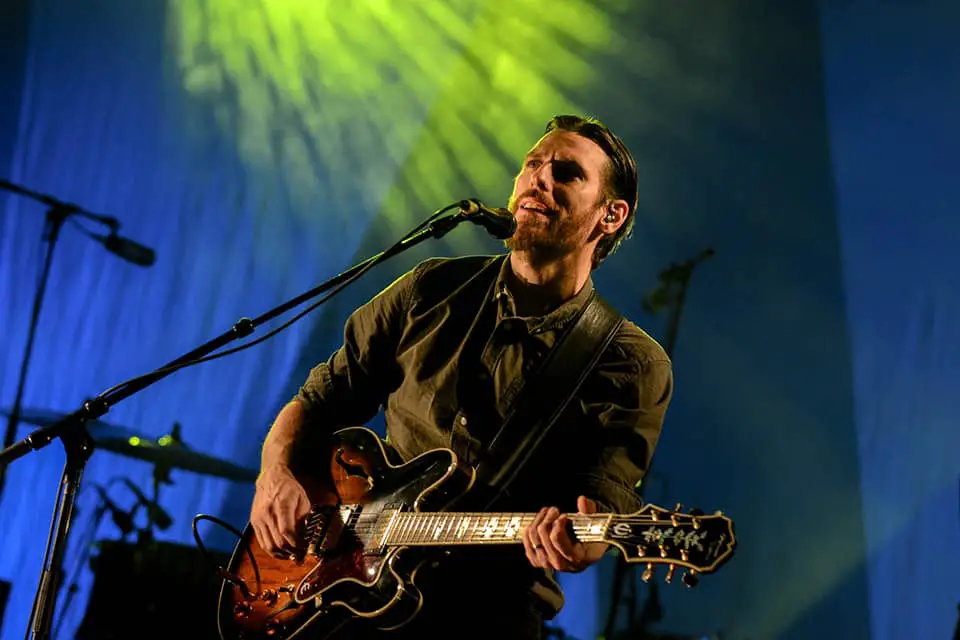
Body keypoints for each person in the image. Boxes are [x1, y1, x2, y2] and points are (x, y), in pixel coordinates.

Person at [250, 115, 673, 639]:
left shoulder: (629, 362)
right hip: (348, 591)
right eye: (532, 165)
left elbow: (600, 506)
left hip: (488, 611)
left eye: (566, 173)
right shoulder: (431, 289)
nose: (537, 180)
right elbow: (320, 400)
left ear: (610, 214)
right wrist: (274, 473)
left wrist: (579, 540)